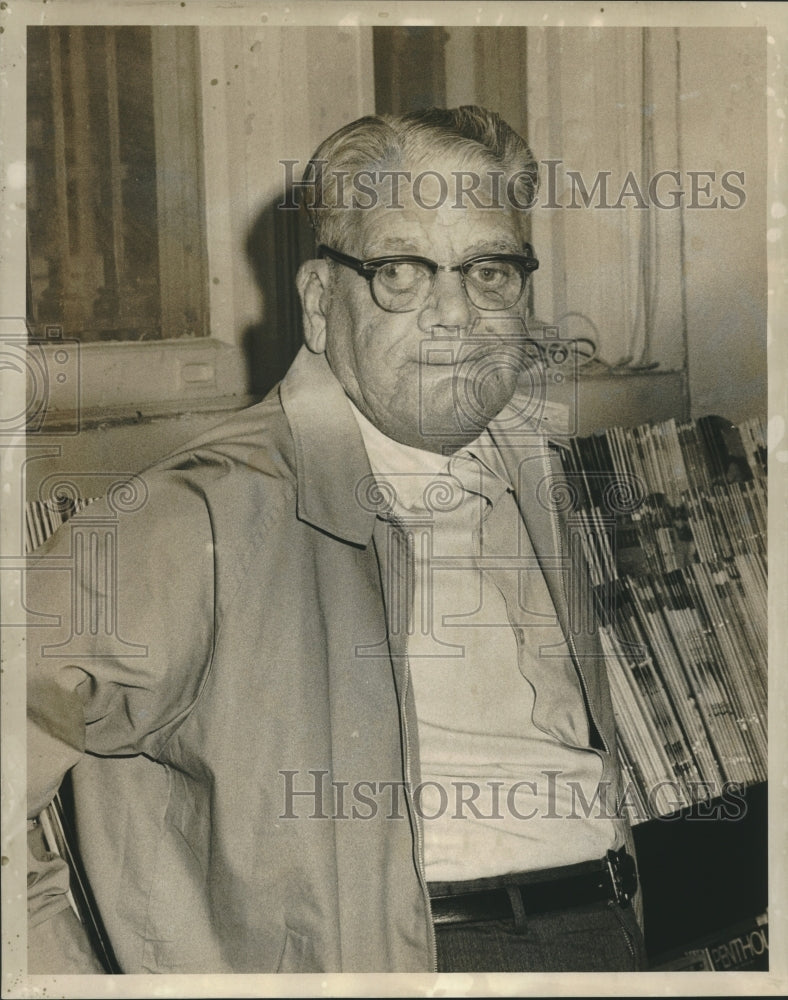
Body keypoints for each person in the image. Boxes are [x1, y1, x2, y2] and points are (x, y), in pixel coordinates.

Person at [26, 106, 646, 974]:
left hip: (609, 931)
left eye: (491, 272)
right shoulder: (201, 513)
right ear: (320, 303)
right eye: (400, 270)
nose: (455, 315)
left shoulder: (542, 473)